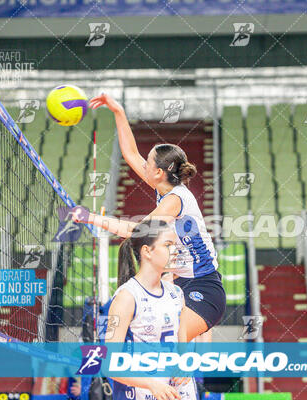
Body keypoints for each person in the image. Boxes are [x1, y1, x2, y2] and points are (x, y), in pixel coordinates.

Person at [73, 93, 226, 343]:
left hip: (204, 288)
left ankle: (181, 380)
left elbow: (138, 231)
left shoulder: (175, 200)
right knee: (151, 337)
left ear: (158, 172)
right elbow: (131, 154)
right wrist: (119, 112)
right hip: (179, 283)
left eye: (149, 163)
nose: (143, 165)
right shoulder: (162, 186)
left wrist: (91, 218)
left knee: (176, 338)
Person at [106, 220, 196, 400]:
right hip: (144, 393)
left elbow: (184, 346)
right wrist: (150, 383)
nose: (175, 250)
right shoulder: (127, 297)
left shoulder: (176, 293)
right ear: (147, 251)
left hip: (181, 393)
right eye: (168, 245)